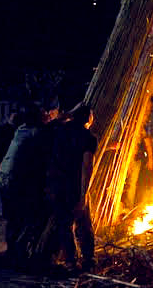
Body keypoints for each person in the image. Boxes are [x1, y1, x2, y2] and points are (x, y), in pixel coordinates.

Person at [40, 102, 98, 272]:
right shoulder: (88, 137)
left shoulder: (60, 131)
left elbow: (51, 124)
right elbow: (86, 167)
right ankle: (87, 259)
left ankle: (71, 261)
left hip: (56, 186)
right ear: (88, 118)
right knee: (84, 223)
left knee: (64, 225)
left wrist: (69, 113)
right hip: (73, 187)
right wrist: (83, 195)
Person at [0, 103, 49, 266]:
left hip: (4, 179)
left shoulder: (21, 130)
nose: (47, 115)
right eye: (44, 113)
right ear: (38, 118)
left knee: (13, 218)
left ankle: (12, 251)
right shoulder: (37, 134)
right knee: (30, 216)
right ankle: (20, 253)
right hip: (16, 181)